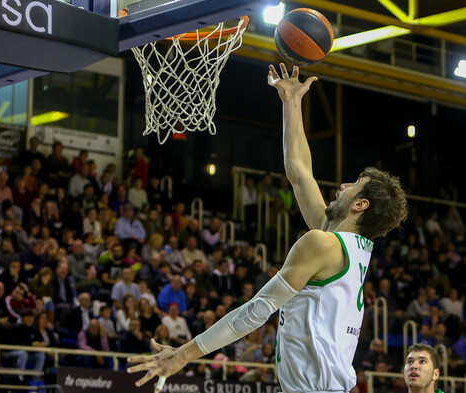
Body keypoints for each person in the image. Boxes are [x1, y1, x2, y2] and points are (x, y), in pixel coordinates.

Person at [126, 63, 408, 393]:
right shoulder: (347, 245)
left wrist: (183, 355)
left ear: (361, 205)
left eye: (354, 185)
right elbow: (300, 173)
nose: (343, 185)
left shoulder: (321, 243)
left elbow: (256, 311)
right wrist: (291, 101)